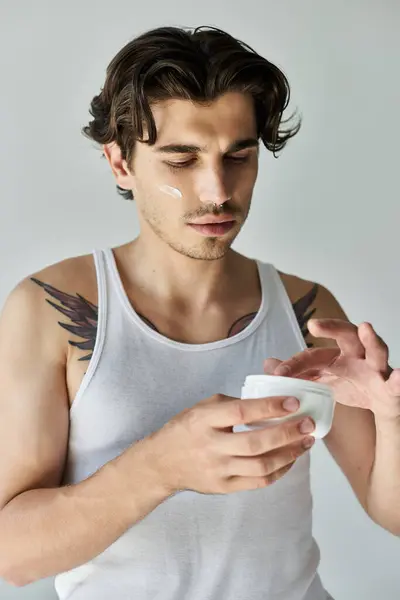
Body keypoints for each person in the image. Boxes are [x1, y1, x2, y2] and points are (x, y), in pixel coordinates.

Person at [0, 25, 399, 600]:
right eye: (181, 160)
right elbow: (12, 558)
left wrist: (391, 418)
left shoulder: (306, 308)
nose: (217, 190)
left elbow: (391, 511)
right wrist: (161, 467)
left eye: (238, 156)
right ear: (120, 163)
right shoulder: (46, 309)